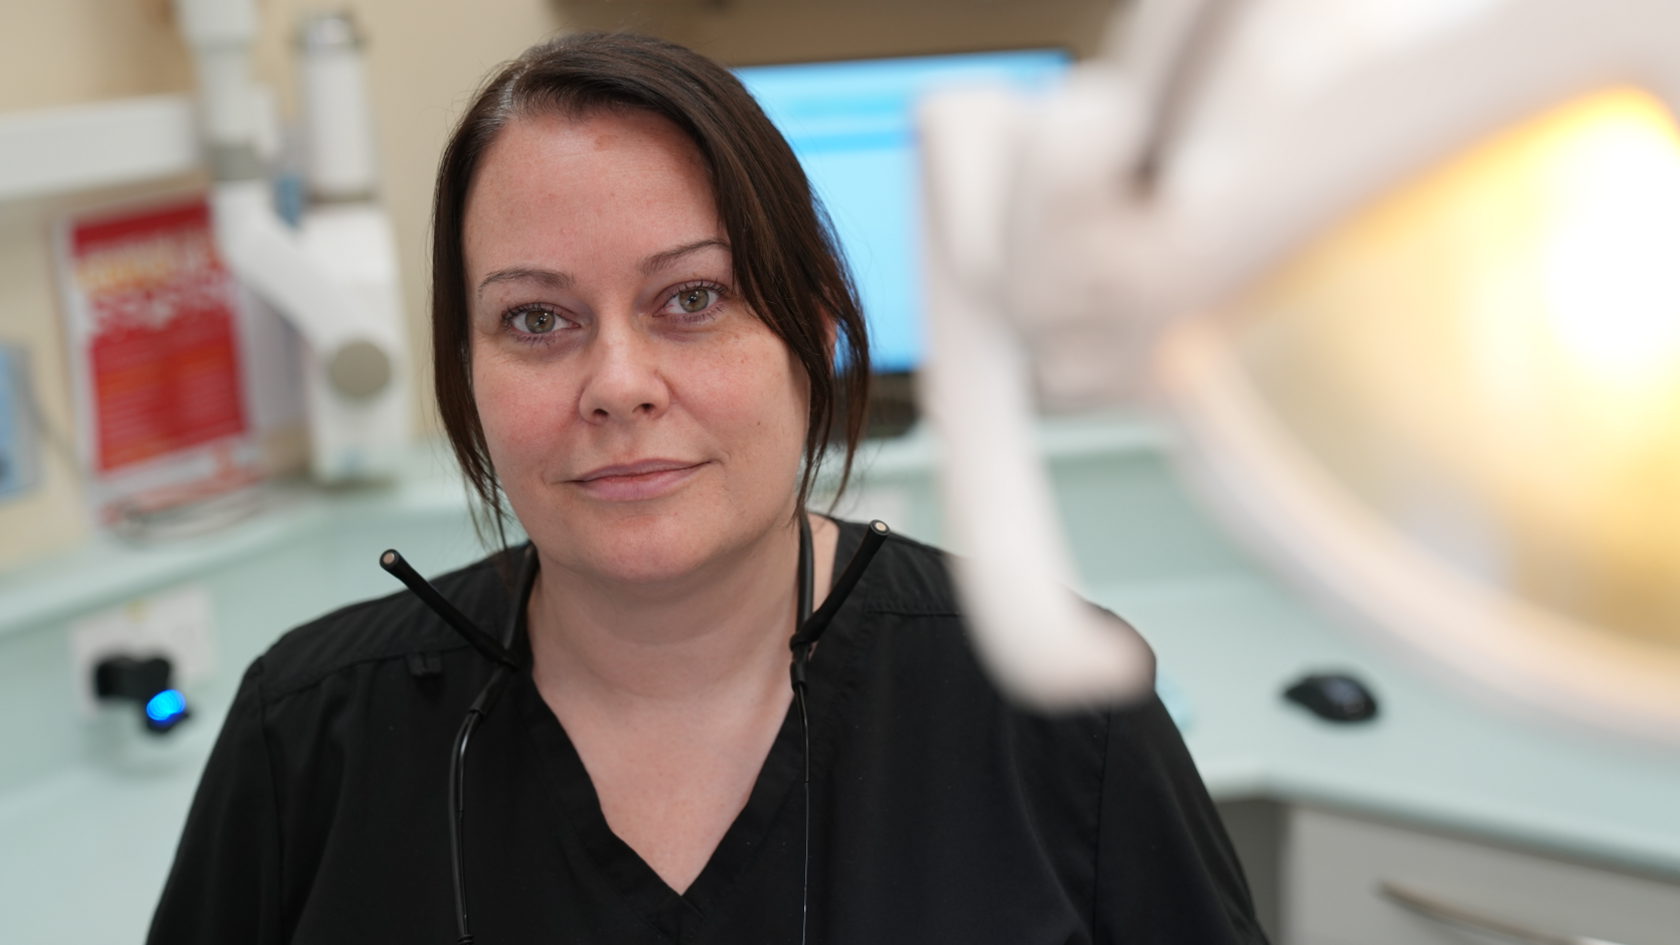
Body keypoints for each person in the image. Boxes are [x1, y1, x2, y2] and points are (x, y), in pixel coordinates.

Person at [148, 32, 1267, 944]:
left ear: (813, 328)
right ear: (467, 374)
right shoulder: (308, 736)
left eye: (692, 299)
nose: (619, 385)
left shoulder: (1061, 708)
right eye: (536, 320)